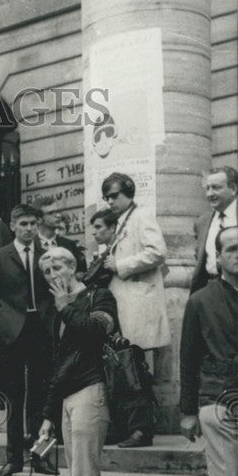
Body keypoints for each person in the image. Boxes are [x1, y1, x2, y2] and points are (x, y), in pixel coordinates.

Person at [37, 248, 118, 476]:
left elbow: (97, 332)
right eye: (46, 271)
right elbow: (58, 365)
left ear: (72, 267)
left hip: (91, 389)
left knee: (86, 475)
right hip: (69, 395)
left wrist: (65, 307)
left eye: (57, 267)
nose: (52, 275)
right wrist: (48, 414)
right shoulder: (60, 309)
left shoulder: (99, 297)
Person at [179, 225, 238, 476]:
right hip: (219, 402)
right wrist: (187, 410)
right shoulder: (201, 300)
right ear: (218, 258)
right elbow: (188, 358)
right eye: (232, 249)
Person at [0, 203, 54, 476]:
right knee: (13, 396)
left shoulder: (47, 255)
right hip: (11, 332)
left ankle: (40, 457)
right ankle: (13, 459)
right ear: (12, 226)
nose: (29, 229)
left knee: (41, 396)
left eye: (33, 224)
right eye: (23, 224)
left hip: (41, 330)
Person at [100, 172, 168, 447]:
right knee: (124, 365)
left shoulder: (142, 217)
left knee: (134, 367)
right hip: (125, 304)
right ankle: (129, 427)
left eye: (114, 195)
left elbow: (157, 252)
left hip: (138, 303)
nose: (110, 201)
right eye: (107, 197)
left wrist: (121, 265)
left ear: (129, 192)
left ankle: (141, 429)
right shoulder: (123, 221)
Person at [190, 166, 237, 295]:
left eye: (216, 188)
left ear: (233, 189)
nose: (210, 194)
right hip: (211, 289)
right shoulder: (202, 222)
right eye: (207, 188)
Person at [35, 195, 86, 272]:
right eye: (51, 213)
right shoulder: (30, 246)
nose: (58, 216)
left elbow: (80, 272)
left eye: (58, 212)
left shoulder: (70, 245)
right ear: (39, 219)